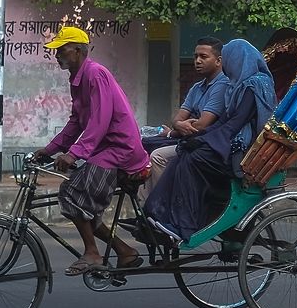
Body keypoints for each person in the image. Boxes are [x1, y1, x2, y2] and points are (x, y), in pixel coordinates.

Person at [31, 26, 150, 275]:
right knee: (80, 200)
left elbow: (100, 120)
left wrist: (74, 153)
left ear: (78, 50)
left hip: (119, 149)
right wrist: (50, 149)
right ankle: (124, 251)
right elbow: (76, 122)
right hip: (103, 150)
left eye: (62, 50)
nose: (57, 55)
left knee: (72, 193)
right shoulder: (78, 79)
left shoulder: (95, 74)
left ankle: (92, 253)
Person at [144, 39, 277, 243]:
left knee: (192, 160)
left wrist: (205, 140)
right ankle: (159, 212)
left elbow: (235, 123)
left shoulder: (254, 85)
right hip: (229, 140)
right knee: (184, 153)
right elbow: (224, 121)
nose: (226, 66)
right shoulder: (238, 85)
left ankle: (185, 225)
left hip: (242, 148)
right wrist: (200, 137)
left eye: (229, 61)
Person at [136, 36, 228, 204]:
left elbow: (200, 126)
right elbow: (177, 119)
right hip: (190, 142)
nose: (197, 61)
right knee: (144, 147)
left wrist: (177, 128)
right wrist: (178, 125)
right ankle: (143, 208)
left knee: (158, 156)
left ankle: (160, 208)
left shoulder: (222, 86)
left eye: (203, 57)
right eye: (195, 56)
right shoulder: (197, 87)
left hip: (208, 147)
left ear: (218, 61)